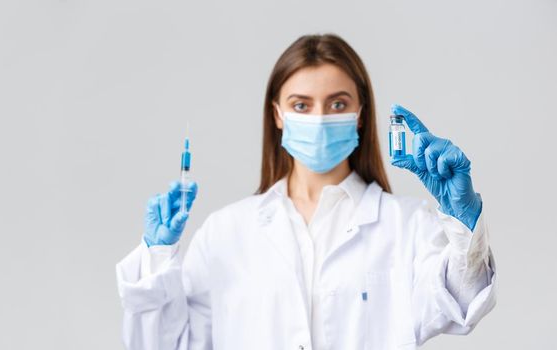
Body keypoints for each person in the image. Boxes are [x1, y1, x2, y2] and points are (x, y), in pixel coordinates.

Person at [115, 34, 496, 350]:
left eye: (337, 104)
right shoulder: (225, 233)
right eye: (301, 104)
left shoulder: (406, 225)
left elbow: (461, 301)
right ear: (278, 115)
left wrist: (462, 219)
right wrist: (157, 258)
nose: (319, 119)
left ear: (361, 113)